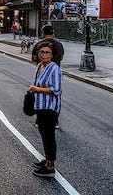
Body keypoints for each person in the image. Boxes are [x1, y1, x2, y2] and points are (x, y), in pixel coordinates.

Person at [29, 44, 62, 178]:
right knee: (44, 135)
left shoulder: (54, 69)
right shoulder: (40, 66)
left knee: (49, 137)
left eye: (47, 53)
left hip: (50, 108)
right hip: (40, 107)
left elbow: (56, 89)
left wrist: (36, 89)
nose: (44, 55)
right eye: (41, 52)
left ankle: (50, 167)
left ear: (52, 55)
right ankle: (47, 160)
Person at [32, 24, 64, 128]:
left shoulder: (39, 44)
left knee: (40, 95)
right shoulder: (59, 45)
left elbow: (33, 58)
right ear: (52, 33)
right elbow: (61, 57)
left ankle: (39, 119)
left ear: (43, 33)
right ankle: (55, 121)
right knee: (55, 96)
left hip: (42, 73)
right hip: (55, 74)